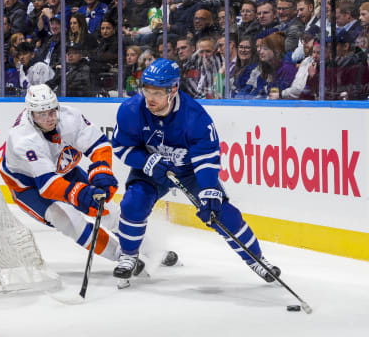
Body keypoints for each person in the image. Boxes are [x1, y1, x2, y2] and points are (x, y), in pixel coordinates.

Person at [110, 58, 281, 283]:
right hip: (152, 168)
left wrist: (209, 189)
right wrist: (147, 161)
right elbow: (122, 146)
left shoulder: (195, 117)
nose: (150, 98)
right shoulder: (131, 110)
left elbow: (207, 158)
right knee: (133, 204)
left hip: (189, 172)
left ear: (173, 90)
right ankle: (129, 256)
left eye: (157, 93)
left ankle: (256, 260)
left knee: (221, 212)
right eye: (147, 90)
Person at [0, 84, 146, 273]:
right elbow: (48, 186)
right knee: (67, 220)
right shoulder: (24, 139)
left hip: (62, 170)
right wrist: (81, 193)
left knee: (104, 207)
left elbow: (98, 145)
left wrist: (102, 171)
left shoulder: (70, 116)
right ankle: (120, 255)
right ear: (31, 113)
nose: (49, 119)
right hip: (28, 185)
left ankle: (144, 246)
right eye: (41, 115)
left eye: (51, 112)